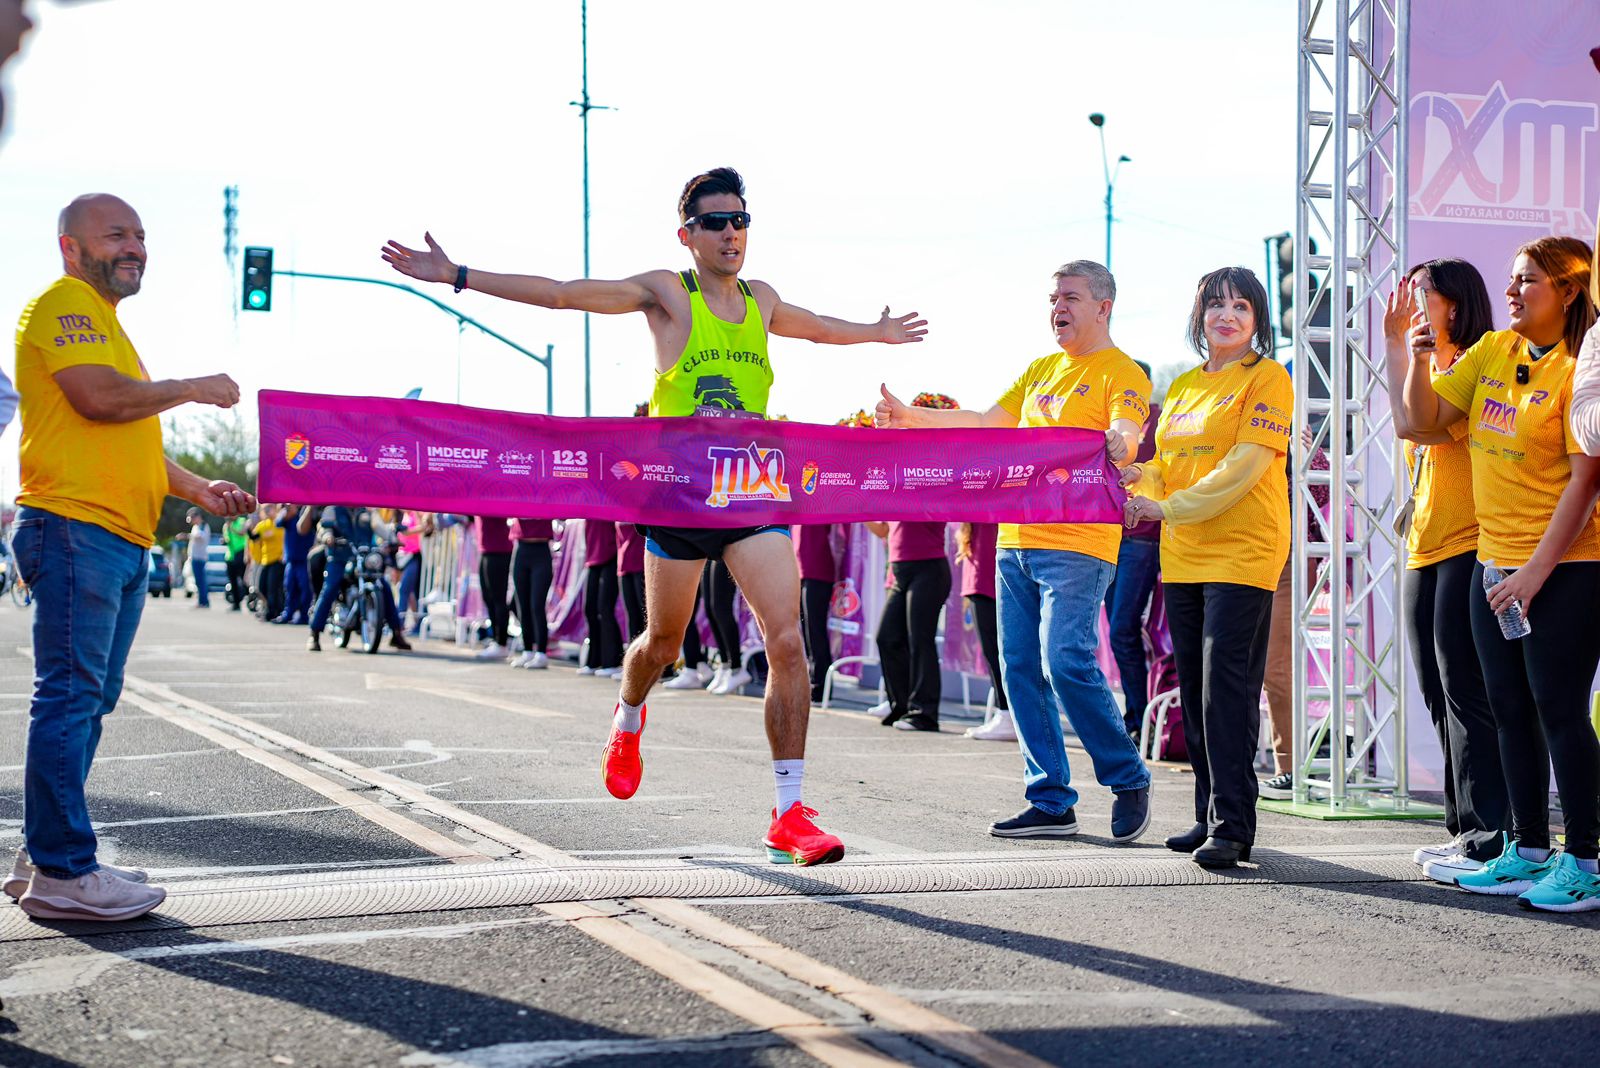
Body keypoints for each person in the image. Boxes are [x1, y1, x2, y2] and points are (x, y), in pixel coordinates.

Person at [383, 166, 927, 864]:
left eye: (742, 220)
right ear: (688, 234)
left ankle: (789, 811)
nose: (732, 232)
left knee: (787, 642)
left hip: (750, 491)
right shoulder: (668, 293)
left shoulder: (761, 301)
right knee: (662, 645)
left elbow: (820, 330)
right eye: (717, 222)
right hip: (675, 495)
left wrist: (877, 333)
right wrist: (456, 274)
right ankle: (630, 715)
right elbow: (558, 295)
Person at [7, 193, 253, 921]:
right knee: (72, 695)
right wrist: (189, 387)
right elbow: (100, 402)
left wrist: (195, 487)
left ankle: (46, 854)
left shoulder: (108, 326)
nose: (134, 246)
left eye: (141, 235)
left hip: (115, 536)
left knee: (89, 699)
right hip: (75, 527)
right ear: (71, 248)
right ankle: (63, 868)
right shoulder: (62, 305)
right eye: (115, 234)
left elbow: (128, 433)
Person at [876, 260, 1151, 843]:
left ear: (1103, 307)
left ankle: (1126, 774)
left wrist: (1120, 442)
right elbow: (982, 421)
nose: (1059, 307)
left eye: (1071, 297)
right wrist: (911, 417)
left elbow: (1127, 429)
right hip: (1016, 542)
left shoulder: (1120, 371)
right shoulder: (1040, 370)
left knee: (1065, 661)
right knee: (1020, 668)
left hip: (1079, 545)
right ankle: (1051, 799)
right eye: (1053, 297)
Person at [1399, 236, 1600, 912]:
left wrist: (1535, 573)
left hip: (1567, 566)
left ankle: (1587, 860)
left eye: (1528, 282)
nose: (1511, 292)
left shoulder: (1584, 361)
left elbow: (1585, 482)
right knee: (1510, 710)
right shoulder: (1494, 351)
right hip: (1496, 562)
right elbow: (1418, 422)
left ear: (1570, 292)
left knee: (1560, 713)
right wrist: (1411, 350)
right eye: (1511, 281)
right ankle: (1528, 849)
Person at [1123, 267, 1292, 869]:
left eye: (1241, 307)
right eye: (1216, 305)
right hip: (1185, 551)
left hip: (1245, 547)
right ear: (1199, 317)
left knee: (1228, 688)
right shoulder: (1187, 386)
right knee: (1194, 689)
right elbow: (1164, 467)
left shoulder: (1270, 379)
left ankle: (1234, 825)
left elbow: (1243, 468)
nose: (1228, 316)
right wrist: (1131, 475)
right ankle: (1206, 813)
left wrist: (1162, 505)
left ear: (1258, 320)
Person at [1381, 259, 1507, 884]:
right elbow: (1409, 424)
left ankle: (1491, 834)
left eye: (1420, 292)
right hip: (1425, 544)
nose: (1408, 301)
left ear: (1453, 304)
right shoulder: (1435, 363)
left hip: (1470, 538)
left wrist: (1402, 349)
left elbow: (1415, 423)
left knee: (1466, 689)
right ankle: (1463, 829)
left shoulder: (1478, 360)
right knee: (1435, 688)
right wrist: (1400, 348)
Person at [1102, 360, 1162, 738]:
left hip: (1143, 538)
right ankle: (1135, 716)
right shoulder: (1106, 424)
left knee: (1124, 627)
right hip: (1108, 537)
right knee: (1116, 631)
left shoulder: (1161, 421)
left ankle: (1140, 719)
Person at [865, 518, 951, 732]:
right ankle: (901, 705)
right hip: (899, 573)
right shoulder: (896, 489)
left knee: (920, 640)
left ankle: (925, 714)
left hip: (928, 568)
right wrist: (860, 509)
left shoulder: (924, 484)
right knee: (886, 637)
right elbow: (883, 530)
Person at [306, 506, 412, 653]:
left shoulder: (368, 511)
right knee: (330, 588)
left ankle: (396, 633)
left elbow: (379, 527)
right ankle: (314, 633)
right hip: (339, 558)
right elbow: (324, 527)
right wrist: (327, 537)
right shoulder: (333, 509)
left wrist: (393, 539)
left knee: (384, 585)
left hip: (363, 557)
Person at [957, 521, 1014, 741]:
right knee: (993, 652)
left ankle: (1008, 715)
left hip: (993, 577)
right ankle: (1005, 714)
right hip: (978, 579)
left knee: (1001, 653)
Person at [793, 524, 838, 704]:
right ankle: (812, 682)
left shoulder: (817, 500)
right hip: (800, 571)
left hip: (818, 571)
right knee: (805, 631)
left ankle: (820, 686)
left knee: (815, 630)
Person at [578, 518, 622, 678]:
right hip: (593, 557)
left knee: (605, 609)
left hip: (612, 555)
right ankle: (594, 661)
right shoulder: (589, 496)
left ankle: (612, 661)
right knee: (590, 609)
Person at [510, 518, 554, 669]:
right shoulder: (518, 495)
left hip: (541, 550)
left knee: (537, 605)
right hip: (521, 550)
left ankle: (541, 653)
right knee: (522, 605)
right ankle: (527, 650)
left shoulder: (546, 495)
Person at [473, 516, 514, 660]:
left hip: (499, 549)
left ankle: (501, 642)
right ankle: (497, 641)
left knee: (498, 598)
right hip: (485, 549)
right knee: (488, 598)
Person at [276, 504, 315, 625]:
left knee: (305, 589)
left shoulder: (306, 511)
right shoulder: (288, 514)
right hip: (291, 560)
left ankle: (304, 615)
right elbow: (277, 523)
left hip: (304, 559)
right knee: (289, 587)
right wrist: (288, 511)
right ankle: (288, 614)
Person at [249, 504, 286, 623]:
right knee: (261, 587)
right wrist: (249, 528)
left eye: (269, 509)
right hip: (265, 560)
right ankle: (269, 608)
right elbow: (254, 538)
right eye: (265, 509)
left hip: (277, 560)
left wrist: (283, 555)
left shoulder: (279, 523)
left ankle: (273, 612)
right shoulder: (263, 525)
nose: (267, 511)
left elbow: (285, 540)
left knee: (272, 588)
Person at [185, 507, 212, 608]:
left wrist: (186, 536)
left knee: (201, 580)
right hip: (194, 557)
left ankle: (203, 601)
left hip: (200, 557)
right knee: (198, 580)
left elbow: (200, 536)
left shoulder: (203, 526)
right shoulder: (196, 527)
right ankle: (201, 600)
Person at [222, 512, 250, 611]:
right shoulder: (226, 526)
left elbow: (242, 533)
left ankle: (250, 598)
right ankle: (236, 603)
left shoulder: (242, 521)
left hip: (241, 552)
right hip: (230, 555)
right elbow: (227, 539)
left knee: (244, 579)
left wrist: (231, 528)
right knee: (232, 580)